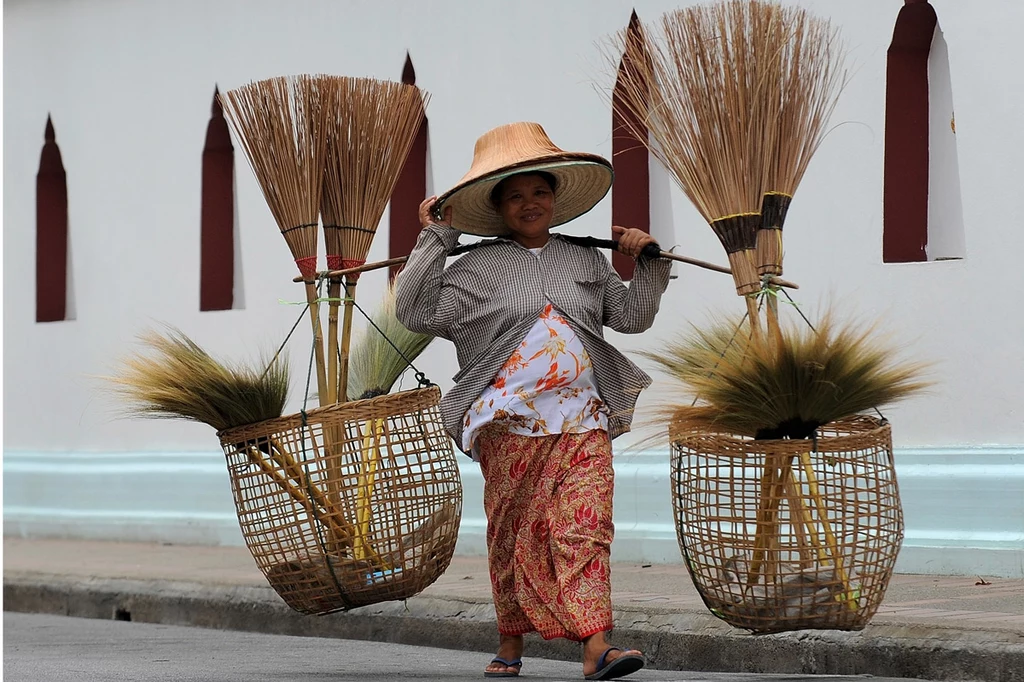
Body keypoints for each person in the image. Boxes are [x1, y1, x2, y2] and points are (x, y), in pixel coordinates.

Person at [395, 122, 671, 680]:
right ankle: (511, 639)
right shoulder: (472, 268)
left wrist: (647, 263)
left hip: (584, 418)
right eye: (515, 196)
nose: (530, 203)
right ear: (498, 208)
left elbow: (632, 318)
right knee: (514, 531)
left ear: (555, 199)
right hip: (505, 423)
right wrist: (435, 240)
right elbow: (414, 312)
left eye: (539, 192)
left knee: (583, 526)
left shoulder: (584, 260)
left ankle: (597, 645)